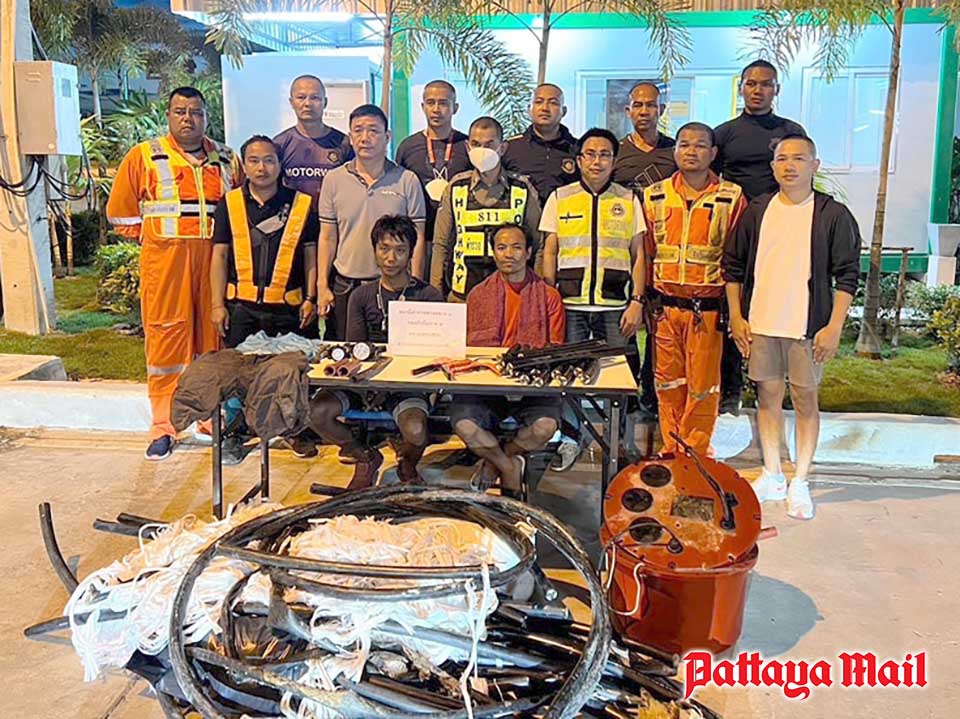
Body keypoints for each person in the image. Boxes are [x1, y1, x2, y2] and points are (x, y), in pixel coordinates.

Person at [723, 136, 860, 520]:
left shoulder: (832, 215)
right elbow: (733, 267)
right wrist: (737, 316)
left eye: (799, 158)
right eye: (782, 159)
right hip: (762, 324)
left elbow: (847, 276)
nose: (789, 165)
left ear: (815, 165)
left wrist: (833, 327)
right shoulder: (758, 210)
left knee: (805, 400)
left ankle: (800, 479)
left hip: (807, 328)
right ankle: (772, 473)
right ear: (773, 167)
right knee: (767, 398)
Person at [107, 86, 242, 461]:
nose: (188, 119)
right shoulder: (144, 156)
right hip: (166, 264)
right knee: (166, 342)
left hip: (215, 263)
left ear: (206, 117)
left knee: (213, 340)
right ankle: (164, 426)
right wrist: (157, 241)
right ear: (168, 115)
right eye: (180, 111)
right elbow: (121, 213)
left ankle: (208, 417)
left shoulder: (227, 159)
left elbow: (240, 209)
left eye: (196, 112)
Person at [310, 216, 443, 487]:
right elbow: (355, 347)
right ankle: (364, 455)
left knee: (416, 429)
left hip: (408, 384)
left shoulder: (428, 296)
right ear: (374, 250)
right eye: (384, 249)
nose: (391, 258)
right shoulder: (361, 296)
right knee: (315, 412)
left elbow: (434, 354)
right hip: (364, 382)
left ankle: (407, 463)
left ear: (411, 253)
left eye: (400, 250)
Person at [541, 128, 645, 470]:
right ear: (579, 160)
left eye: (604, 154)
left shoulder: (628, 200)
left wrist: (637, 301)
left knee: (622, 378)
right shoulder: (560, 197)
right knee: (567, 376)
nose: (597, 161)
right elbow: (550, 250)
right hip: (570, 305)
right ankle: (570, 439)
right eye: (590, 154)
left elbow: (639, 254)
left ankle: (619, 443)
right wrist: (549, 296)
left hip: (615, 306)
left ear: (614, 161)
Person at [641, 123, 746, 457]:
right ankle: (672, 449)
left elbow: (737, 257)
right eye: (684, 144)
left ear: (713, 153)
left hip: (707, 310)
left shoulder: (731, 197)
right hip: (664, 309)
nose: (691, 151)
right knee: (667, 383)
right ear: (674, 151)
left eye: (700, 145)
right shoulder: (654, 195)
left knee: (703, 387)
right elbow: (645, 252)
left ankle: (696, 453)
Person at [713, 60, 808, 416]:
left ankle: (775, 386)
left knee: (780, 308)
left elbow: (803, 176)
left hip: (782, 231)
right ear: (740, 88)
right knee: (733, 310)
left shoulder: (791, 131)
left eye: (765, 84)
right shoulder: (724, 134)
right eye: (751, 83)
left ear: (776, 89)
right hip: (737, 229)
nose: (758, 90)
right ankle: (731, 389)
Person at [450, 223, 566, 498]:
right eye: (501, 247)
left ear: (529, 253)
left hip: (532, 386)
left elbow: (555, 350)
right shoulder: (477, 295)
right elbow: (467, 350)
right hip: (486, 385)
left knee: (546, 427)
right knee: (464, 424)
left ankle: (496, 460)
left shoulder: (548, 297)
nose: (508, 254)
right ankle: (509, 467)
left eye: (516, 247)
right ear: (493, 253)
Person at [317, 104, 426, 340]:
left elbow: (417, 238)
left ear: (387, 137)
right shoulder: (333, 180)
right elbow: (327, 237)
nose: (365, 138)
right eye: (358, 130)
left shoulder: (407, 180)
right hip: (346, 285)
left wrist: (415, 287)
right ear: (350, 137)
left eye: (373, 131)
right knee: (345, 352)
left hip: (394, 287)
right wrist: (321, 285)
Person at [210, 135, 318, 349]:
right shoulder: (228, 204)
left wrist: (310, 299)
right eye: (254, 161)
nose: (262, 168)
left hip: (289, 311)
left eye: (269, 160)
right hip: (241, 311)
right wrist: (217, 305)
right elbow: (219, 256)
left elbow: (311, 257)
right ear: (244, 165)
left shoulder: (302, 204)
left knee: (292, 368)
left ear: (280, 164)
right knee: (239, 368)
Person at [614, 81, 678, 420]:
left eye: (650, 105)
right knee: (624, 323)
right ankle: (626, 393)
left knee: (659, 326)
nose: (644, 111)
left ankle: (655, 397)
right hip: (623, 251)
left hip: (664, 251)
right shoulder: (617, 152)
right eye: (637, 105)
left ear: (660, 110)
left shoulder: (674, 152)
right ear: (628, 111)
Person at [431, 116, 541, 301]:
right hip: (462, 296)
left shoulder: (522, 188)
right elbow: (440, 244)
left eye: (489, 145)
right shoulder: (456, 187)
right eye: (476, 144)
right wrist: (435, 294)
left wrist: (538, 292)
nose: (482, 151)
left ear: (502, 148)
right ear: (468, 148)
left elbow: (539, 246)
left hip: (513, 297)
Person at [395, 80, 471, 249]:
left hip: (459, 237)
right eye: (430, 103)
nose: (436, 109)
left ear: (455, 108)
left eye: (443, 103)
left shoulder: (467, 145)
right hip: (419, 238)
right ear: (423, 107)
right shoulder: (408, 147)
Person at [274, 75, 353, 201]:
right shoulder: (280, 144)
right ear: (291, 102)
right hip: (292, 213)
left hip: (334, 212)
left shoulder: (344, 143)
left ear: (325, 102)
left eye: (315, 98)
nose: (307, 104)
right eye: (301, 97)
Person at [502, 84, 579, 208]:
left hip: (566, 216)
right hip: (520, 218)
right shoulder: (509, 148)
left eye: (553, 103)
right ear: (529, 109)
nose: (545, 108)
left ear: (564, 111)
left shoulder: (578, 149)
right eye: (538, 102)